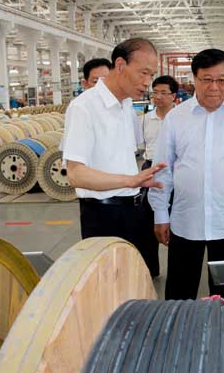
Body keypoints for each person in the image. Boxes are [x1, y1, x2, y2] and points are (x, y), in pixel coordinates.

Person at [149, 49, 224, 301]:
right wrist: (160, 213)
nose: (214, 87)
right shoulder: (176, 118)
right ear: (194, 78)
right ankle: (180, 326)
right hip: (186, 220)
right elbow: (163, 169)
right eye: (207, 79)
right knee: (180, 294)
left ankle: (222, 326)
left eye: (222, 80)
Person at [63, 38, 166, 277]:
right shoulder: (84, 107)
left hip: (132, 208)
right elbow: (75, 174)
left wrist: (136, 182)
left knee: (134, 280)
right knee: (109, 283)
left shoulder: (126, 105)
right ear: (120, 65)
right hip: (103, 216)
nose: (147, 82)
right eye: (143, 73)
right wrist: (130, 180)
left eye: (151, 75)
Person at [138, 75, 179, 278]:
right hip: (151, 169)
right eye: (155, 92)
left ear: (174, 96)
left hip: (176, 170)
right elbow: (139, 147)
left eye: (164, 92)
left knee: (177, 220)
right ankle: (151, 269)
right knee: (148, 220)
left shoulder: (181, 118)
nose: (158, 96)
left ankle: (178, 269)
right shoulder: (145, 119)